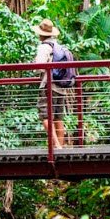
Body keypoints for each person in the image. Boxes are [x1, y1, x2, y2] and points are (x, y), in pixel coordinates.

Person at [33, 19, 75, 149]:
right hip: (61, 88)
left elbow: (39, 67)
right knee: (58, 118)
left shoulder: (44, 47)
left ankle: (57, 146)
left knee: (45, 117)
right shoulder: (59, 47)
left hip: (49, 86)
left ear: (41, 34)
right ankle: (60, 146)